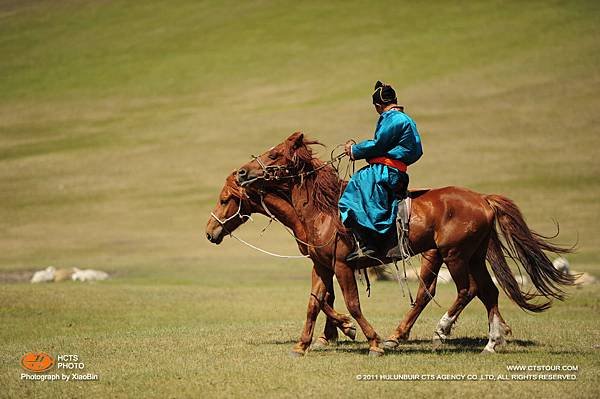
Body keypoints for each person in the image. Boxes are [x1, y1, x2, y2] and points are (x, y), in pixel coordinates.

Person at [339, 81, 423, 261]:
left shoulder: (394, 119)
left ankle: (371, 243)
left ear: (378, 105)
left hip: (387, 171)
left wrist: (354, 150)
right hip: (394, 168)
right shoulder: (403, 119)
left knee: (355, 187)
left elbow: (378, 144)